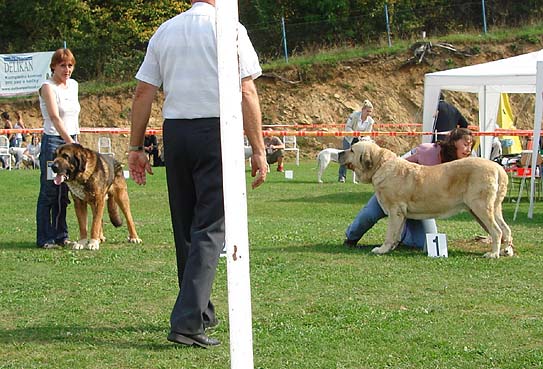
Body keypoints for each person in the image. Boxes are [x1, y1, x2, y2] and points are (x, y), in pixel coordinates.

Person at [128, 0, 267, 348]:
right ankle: (188, 323)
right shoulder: (231, 28)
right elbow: (247, 90)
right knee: (211, 226)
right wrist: (260, 149)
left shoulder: (165, 30)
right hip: (217, 129)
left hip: (176, 132)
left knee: (186, 226)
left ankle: (200, 311)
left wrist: (135, 147)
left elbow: (144, 91)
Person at [344, 128, 474, 249]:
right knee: (368, 215)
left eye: (471, 145)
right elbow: (399, 163)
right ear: (453, 143)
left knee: (422, 243)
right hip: (393, 192)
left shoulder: (463, 166)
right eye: (465, 144)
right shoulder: (428, 151)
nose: (468, 149)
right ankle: (351, 238)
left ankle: (401, 234)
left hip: (420, 205)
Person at [36, 48, 80, 249]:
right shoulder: (47, 87)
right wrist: (69, 141)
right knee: (49, 191)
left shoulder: (73, 86)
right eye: (63, 65)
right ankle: (45, 238)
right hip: (54, 142)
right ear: (54, 66)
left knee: (64, 192)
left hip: (72, 142)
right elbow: (55, 116)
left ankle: (62, 235)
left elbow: (74, 116)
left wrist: (75, 140)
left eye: (70, 65)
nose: (67, 69)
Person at [338, 99, 374, 182]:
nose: (369, 113)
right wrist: (354, 133)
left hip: (360, 141)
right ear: (363, 110)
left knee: (359, 160)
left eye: (370, 112)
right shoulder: (354, 115)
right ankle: (342, 176)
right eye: (367, 111)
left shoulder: (371, 121)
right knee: (345, 157)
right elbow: (347, 127)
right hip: (349, 139)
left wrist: (363, 138)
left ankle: (358, 178)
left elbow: (368, 133)